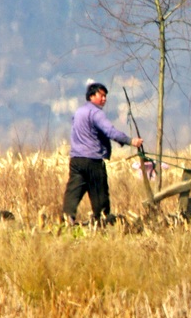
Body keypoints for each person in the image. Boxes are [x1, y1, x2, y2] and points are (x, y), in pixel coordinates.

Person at [62, 82, 144, 225]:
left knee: (74, 191)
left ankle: (67, 219)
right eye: (101, 95)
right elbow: (110, 132)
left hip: (76, 159)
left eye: (105, 96)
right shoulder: (96, 113)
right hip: (92, 160)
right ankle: (103, 221)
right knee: (99, 193)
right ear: (92, 96)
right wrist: (131, 141)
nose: (104, 99)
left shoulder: (78, 112)